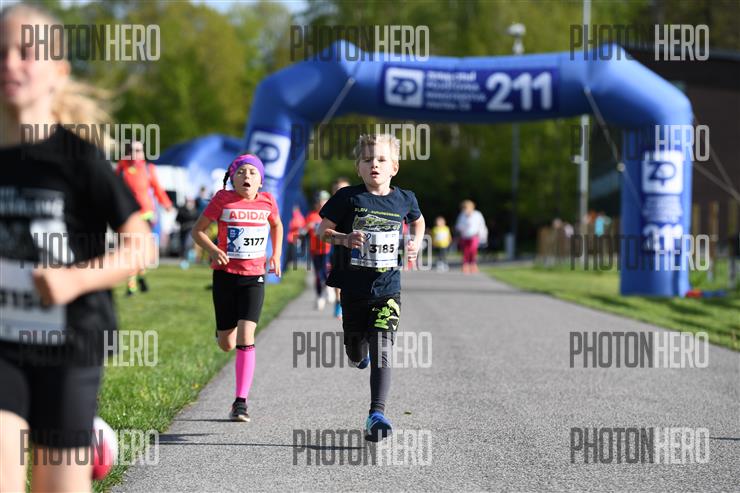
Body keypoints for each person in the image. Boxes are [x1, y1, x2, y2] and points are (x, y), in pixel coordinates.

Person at [0, 4, 155, 491]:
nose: (9, 63)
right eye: (0, 52)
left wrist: (73, 279)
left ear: (58, 71)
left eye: (26, 52)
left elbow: (141, 247)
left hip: (70, 341)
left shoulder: (78, 158)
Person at [318, 134, 424, 442]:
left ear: (394, 167)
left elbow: (418, 221)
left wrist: (416, 242)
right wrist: (344, 238)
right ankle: (357, 354)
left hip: (388, 288)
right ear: (358, 168)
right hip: (353, 288)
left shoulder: (405, 198)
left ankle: (376, 414)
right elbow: (322, 231)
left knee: (382, 347)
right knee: (355, 350)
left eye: (381, 159)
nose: (374, 164)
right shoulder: (347, 198)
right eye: (367, 160)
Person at [191, 154, 283, 422]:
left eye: (253, 173)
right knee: (226, 344)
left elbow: (277, 224)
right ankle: (221, 332)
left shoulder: (268, 201)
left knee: (246, 335)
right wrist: (213, 249)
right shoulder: (222, 199)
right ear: (232, 179)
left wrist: (276, 254)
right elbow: (197, 231)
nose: (247, 177)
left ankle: (240, 402)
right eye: (241, 172)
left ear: (260, 181)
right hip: (225, 277)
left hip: (254, 278)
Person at [116, 140, 173, 295]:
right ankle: (135, 281)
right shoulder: (122, 168)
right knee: (130, 248)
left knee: (138, 248)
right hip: (128, 214)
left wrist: (166, 203)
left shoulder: (148, 169)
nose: (136, 154)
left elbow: (157, 188)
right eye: (132, 150)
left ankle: (136, 280)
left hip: (146, 214)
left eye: (139, 150)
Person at [329, 177, 350, 318]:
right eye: (337, 189)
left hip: (354, 247)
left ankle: (349, 302)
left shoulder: (356, 204)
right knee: (338, 276)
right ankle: (338, 301)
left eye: (344, 189)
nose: (341, 192)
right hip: (336, 247)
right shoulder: (330, 206)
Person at [306, 191, 331, 310]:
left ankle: (329, 287)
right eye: (319, 201)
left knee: (326, 271)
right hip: (315, 250)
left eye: (324, 201)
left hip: (327, 248)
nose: (321, 204)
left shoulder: (329, 215)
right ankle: (320, 296)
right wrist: (308, 226)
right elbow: (304, 230)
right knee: (317, 274)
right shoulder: (311, 215)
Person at [455, 199, 486, 274]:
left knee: (473, 250)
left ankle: (473, 264)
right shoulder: (462, 215)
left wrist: (482, 235)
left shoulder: (477, 214)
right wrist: (464, 227)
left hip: (474, 235)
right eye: (465, 208)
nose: (466, 210)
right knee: (465, 251)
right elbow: (458, 226)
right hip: (465, 236)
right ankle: (465, 265)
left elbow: (481, 225)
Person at [176, 198, 199, 267]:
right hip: (183, 231)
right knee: (183, 246)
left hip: (190, 231)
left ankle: (187, 260)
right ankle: (183, 260)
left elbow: (197, 220)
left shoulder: (195, 211)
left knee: (188, 244)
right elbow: (177, 219)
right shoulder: (182, 210)